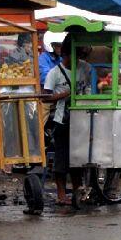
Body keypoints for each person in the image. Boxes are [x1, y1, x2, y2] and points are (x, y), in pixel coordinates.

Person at [43, 36, 92, 206]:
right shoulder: (54, 73)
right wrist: (63, 95)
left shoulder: (85, 68)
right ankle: (61, 194)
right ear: (65, 53)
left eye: (79, 54)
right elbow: (45, 98)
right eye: (74, 54)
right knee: (62, 158)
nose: (77, 58)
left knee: (78, 157)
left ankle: (78, 191)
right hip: (62, 120)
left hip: (82, 120)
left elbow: (90, 87)